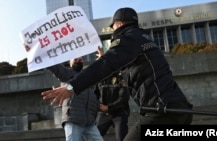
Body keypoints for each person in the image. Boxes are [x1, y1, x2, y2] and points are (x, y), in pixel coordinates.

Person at [42, 7, 193, 141]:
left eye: (113, 26)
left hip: (162, 113)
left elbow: (106, 65)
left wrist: (71, 88)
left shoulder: (128, 39)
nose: (113, 30)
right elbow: (113, 68)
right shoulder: (144, 39)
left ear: (119, 24)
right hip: (177, 109)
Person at [46, 57, 103, 141]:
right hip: (73, 120)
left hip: (89, 121)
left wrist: (98, 106)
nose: (78, 60)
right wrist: (38, 53)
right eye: (75, 59)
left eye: (80, 59)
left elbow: (91, 96)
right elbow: (53, 66)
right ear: (70, 62)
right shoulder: (66, 73)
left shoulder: (87, 76)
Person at [95, 70, 130, 141]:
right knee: (94, 137)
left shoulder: (121, 77)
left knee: (121, 138)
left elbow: (124, 97)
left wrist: (109, 107)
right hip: (103, 113)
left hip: (119, 113)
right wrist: (99, 106)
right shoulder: (98, 78)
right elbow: (95, 95)